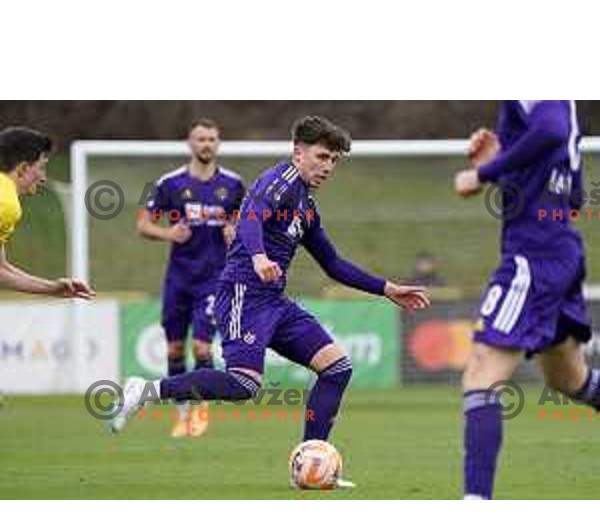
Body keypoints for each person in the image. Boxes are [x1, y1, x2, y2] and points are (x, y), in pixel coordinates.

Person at [113, 116, 430, 486]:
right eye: (322, 156)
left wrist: (387, 288)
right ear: (298, 152)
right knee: (245, 385)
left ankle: (310, 465)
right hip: (243, 295)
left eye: (334, 161)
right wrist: (259, 256)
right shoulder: (279, 182)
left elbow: (333, 263)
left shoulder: (306, 208)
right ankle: (146, 390)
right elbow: (250, 217)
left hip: (274, 301)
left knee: (337, 368)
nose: (327, 166)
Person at [455, 101, 597, 499]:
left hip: (533, 257)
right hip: (560, 248)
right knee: (570, 380)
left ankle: (476, 502)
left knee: (482, 370)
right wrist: (506, 162)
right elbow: (572, 198)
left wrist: (485, 171)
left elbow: (550, 129)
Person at [137, 118, 245, 437]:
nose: (206, 144)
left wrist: (235, 233)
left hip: (215, 279)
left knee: (201, 347)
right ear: (190, 142)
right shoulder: (169, 184)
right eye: (201, 139)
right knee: (173, 349)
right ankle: (181, 415)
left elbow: (249, 226)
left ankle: (201, 412)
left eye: (212, 139)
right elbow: (143, 224)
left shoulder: (234, 184)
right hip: (178, 278)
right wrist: (167, 231)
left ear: (219, 143)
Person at [0, 127, 94, 300]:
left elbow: (1, 268)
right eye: (41, 168)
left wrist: (51, 288)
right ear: (22, 169)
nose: (43, 178)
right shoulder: (6, 204)